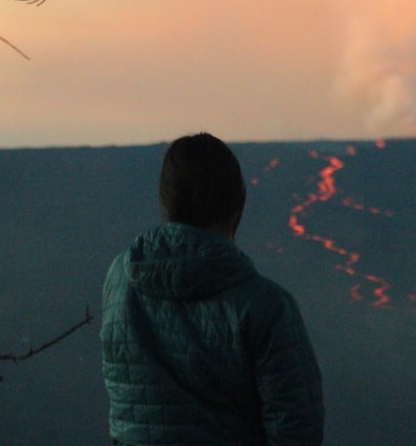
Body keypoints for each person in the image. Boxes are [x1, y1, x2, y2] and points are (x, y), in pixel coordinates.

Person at [101, 133, 324, 445]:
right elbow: (297, 429)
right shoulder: (265, 306)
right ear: (237, 202)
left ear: (166, 201)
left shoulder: (120, 278)